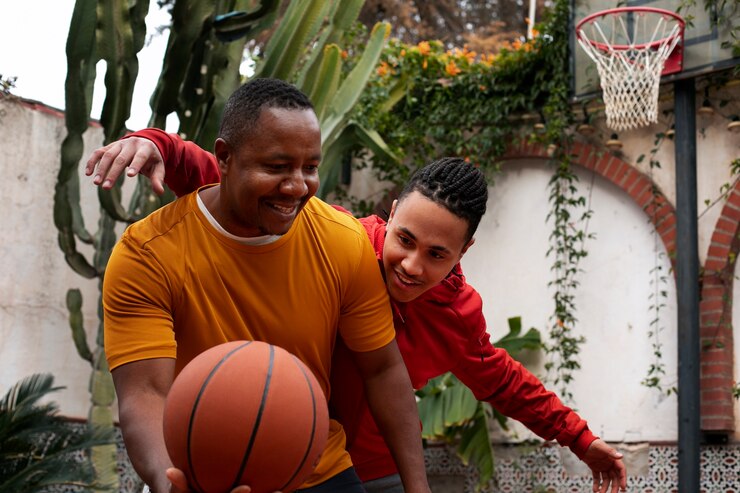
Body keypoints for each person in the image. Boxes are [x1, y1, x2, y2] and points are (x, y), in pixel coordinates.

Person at [89, 126, 628, 493]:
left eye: (436, 254)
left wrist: (581, 439)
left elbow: (504, 380)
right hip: (260, 442)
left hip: (364, 470)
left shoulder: (456, 314)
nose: (412, 265)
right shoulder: (339, 242)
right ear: (389, 215)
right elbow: (239, 183)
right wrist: (158, 145)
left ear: (463, 254)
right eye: (405, 239)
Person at [97, 78, 432, 493]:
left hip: (320, 472)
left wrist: (419, 489)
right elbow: (146, 394)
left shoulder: (342, 240)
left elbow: (383, 370)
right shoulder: (147, 252)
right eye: (276, 167)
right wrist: (173, 483)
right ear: (224, 157)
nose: (297, 186)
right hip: (200, 473)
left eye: (310, 167)